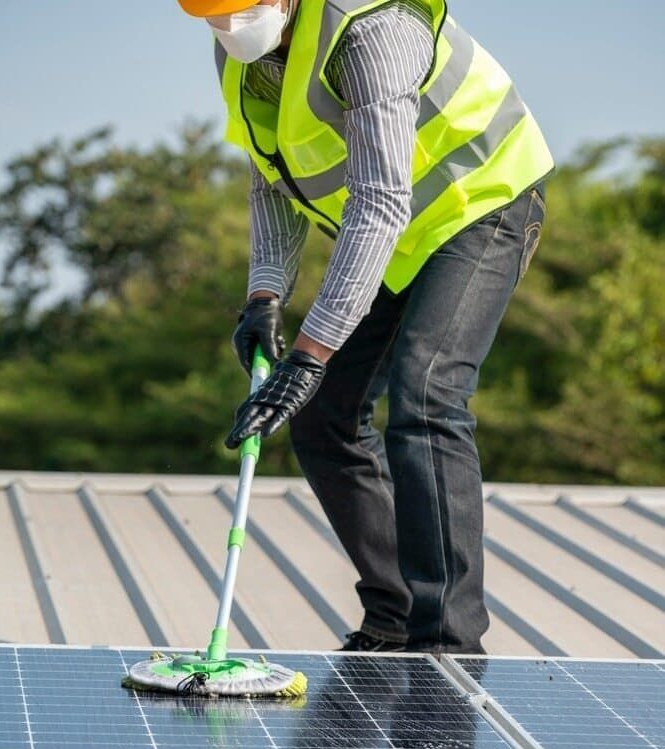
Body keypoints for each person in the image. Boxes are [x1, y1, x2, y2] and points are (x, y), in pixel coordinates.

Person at [178, 0, 554, 656]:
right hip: (400, 234)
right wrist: (263, 298)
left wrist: (308, 354)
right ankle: (395, 614)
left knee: (427, 393)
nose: (229, 26)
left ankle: (446, 643)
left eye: (240, 9)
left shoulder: (372, 31)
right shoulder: (239, 57)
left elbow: (379, 201)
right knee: (323, 415)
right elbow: (269, 182)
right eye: (213, 15)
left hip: (480, 202)